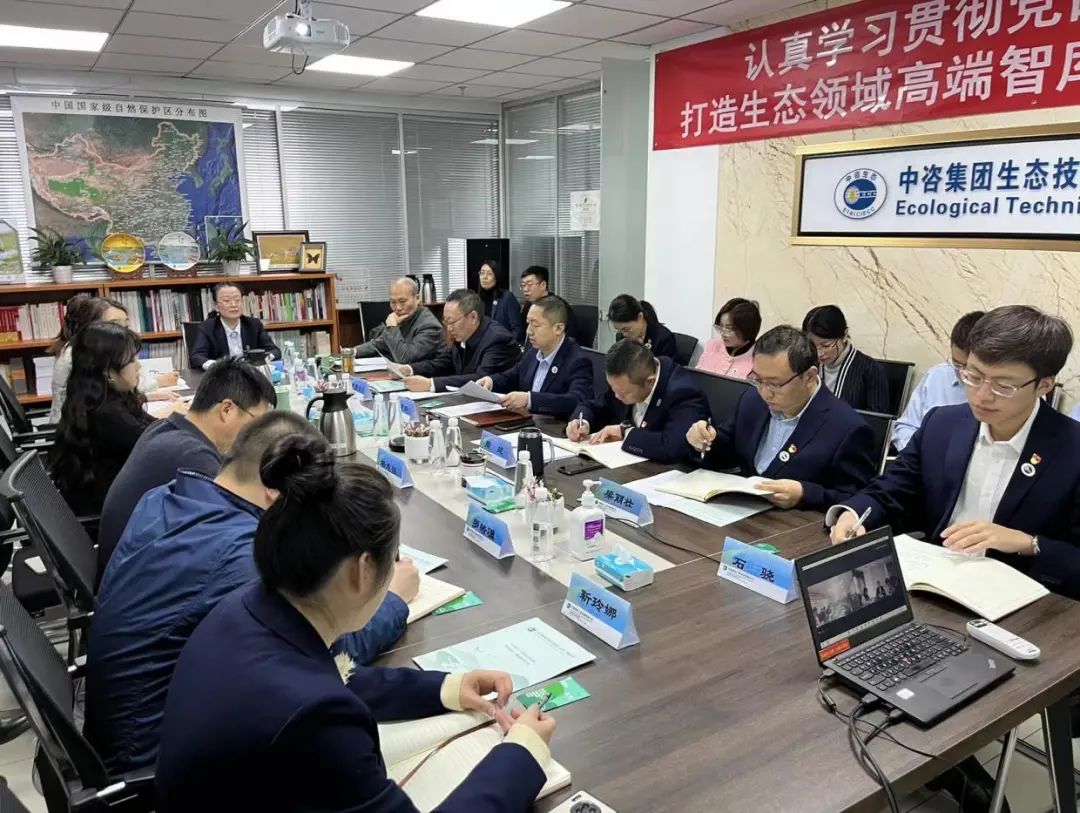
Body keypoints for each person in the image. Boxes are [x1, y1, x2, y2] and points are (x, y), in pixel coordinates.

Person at [155, 432, 554, 811]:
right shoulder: (317, 719)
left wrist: (446, 689)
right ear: (361, 571)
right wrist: (522, 754)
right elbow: (318, 700)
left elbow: (334, 676)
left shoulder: (245, 609)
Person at [87, 413, 419, 776]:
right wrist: (392, 599)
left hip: (130, 727)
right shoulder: (242, 557)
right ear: (276, 488)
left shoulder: (165, 497)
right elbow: (325, 650)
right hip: (152, 764)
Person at [829, 306, 1080, 600]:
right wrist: (852, 514)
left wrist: (1029, 543)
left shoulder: (1071, 448)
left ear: (1044, 385)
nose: (981, 395)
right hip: (934, 585)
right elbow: (890, 491)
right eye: (973, 376)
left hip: (1024, 600)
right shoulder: (943, 424)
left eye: (1003, 386)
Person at [96, 357, 276, 579]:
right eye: (256, 422)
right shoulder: (194, 457)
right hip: (138, 578)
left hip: (126, 568)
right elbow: (239, 525)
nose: (256, 434)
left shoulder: (166, 429)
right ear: (227, 410)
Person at [686, 326, 876, 510]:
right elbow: (726, 452)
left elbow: (860, 500)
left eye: (775, 384)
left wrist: (804, 494)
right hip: (741, 513)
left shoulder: (846, 427)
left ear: (809, 376)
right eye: (758, 379)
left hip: (797, 525)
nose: (765, 392)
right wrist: (703, 441)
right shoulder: (751, 400)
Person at [51, 322, 157, 516]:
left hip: (114, 499)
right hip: (111, 514)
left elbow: (152, 427)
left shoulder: (99, 398)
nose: (139, 366)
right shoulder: (106, 414)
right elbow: (156, 442)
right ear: (108, 371)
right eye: (132, 360)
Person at [568, 340, 707, 463]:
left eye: (623, 393)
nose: (617, 396)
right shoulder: (624, 381)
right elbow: (595, 406)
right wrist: (581, 422)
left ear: (650, 381)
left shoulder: (683, 392)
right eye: (613, 389)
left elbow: (673, 446)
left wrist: (625, 432)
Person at [49, 294, 178, 423]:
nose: (123, 333)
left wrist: (145, 397)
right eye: (114, 325)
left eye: (126, 327)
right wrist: (165, 414)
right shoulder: (81, 355)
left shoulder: (83, 348)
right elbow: (110, 416)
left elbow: (113, 398)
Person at [475, 295, 592, 419]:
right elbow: (513, 375)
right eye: (528, 324)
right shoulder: (532, 352)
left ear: (558, 328)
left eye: (535, 325)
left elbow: (577, 400)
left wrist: (530, 400)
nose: (528, 331)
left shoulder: (578, 360)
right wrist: (491, 381)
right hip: (525, 422)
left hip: (554, 427)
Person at [891, 311, 985, 451]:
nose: (961, 373)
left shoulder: (996, 392)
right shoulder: (937, 376)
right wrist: (918, 454)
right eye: (956, 364)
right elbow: (905, 427)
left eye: (968, 367)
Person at [400, 288, 520, 392]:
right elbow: (443, 362)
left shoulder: (497, 339)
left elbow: (481, 379)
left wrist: (431, 384)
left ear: (473, 317)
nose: (449, 328)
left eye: (452, 322)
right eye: (446, 322)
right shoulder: (463, 334)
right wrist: (409, 369)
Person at [802, 305, 890, 414]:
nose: (819, 353)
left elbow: (877, 420)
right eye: (813, 346)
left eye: (826, 345)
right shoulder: (808, 366)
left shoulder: (871, 370)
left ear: (844, 335)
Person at [354, 277, 446, 365]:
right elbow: (379, 344)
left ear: (417, 298)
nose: (398, 308)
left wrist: (392, 327)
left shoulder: (429, 325)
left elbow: (405, 359)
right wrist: (351, 352)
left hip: (427, 374)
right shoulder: (404, 318)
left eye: (403, 301)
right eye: (393, 302)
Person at [190, 282, 280, 370]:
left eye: (237, 300)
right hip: (222, 376)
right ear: (216, 306)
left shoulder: (254, 325)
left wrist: (263, 359)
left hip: (250, 375)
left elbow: (275, 351)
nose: (234, 305)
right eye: (227, 301)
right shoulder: (207, 327)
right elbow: (196, 357)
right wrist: (218, 366)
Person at [696, 298, 761, 379]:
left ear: (747, 329)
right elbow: (697, 376)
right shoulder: (712, 345)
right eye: (720, 327)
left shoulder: (759, 359)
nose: (723, 333)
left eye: (729, 329)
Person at [518, 266, 579, 344]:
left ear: (543, 285)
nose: (525, 289)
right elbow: (522, 333)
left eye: (529, 285)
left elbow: (568, 337)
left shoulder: (558, 306)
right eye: (523, 285)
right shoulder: (529, 305)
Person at [607, 294, 677, 361]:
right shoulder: (621, 337)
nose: (624, 334)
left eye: (626, 329)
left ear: (640, 317)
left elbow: (665, 367)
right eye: (618, 330)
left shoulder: (663, 338)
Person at [477, 260, 523, 340]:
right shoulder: (477, 298)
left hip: (504, 344)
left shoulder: (507, 297)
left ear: (497, 277)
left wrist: (508, 345)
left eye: (489, 274)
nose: (484, 277)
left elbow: (517, 329)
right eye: (482, 273)